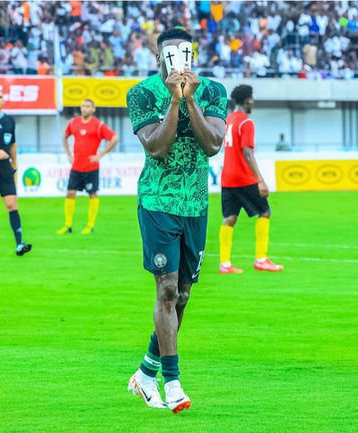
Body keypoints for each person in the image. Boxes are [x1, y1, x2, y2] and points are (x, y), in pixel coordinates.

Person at [125, 28, 227, 413]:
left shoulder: (214, 91)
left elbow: (213, 144)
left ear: (192, 56)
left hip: (196, 205)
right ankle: (173, 385)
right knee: (166, 291)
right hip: (157, 202)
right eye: (170, 56)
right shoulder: (142, 93)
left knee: (183, 295)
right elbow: (156, 146)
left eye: (184, 55)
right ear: (158, 58)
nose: (178, 63)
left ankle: (145, 374)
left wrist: (191, 102)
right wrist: (173, 101)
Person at [219, 85, 284, 274]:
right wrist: (261, 181)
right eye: (252, 99)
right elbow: (248, 153)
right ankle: (261, 259)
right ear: (247, 101)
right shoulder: (246, 123)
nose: (253, 102)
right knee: (265, 212)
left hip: (227, 178)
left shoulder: (228, 120)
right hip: (243, 178)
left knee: (229, 218)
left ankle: (224, 263)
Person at [56, 98, 118, 235]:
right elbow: (65, 136)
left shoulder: (98, 125)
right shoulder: (74, 122)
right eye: (83, 106)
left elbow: (114, 138)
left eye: (88, 106)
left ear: (93, 109)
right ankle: (68, 225)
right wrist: (69, 155)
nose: (85, 108)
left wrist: (100, 155)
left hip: (91, 167)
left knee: (92, 194)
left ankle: (90, 226)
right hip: (76, 167)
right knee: (70, 193)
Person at [0, 88, 32, 256]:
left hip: (5, 169)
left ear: (3, 100)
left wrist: (14, 164)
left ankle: (19, 244)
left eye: (0, 97)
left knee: (12, 205)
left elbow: (13, 144)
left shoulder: (10, 121)